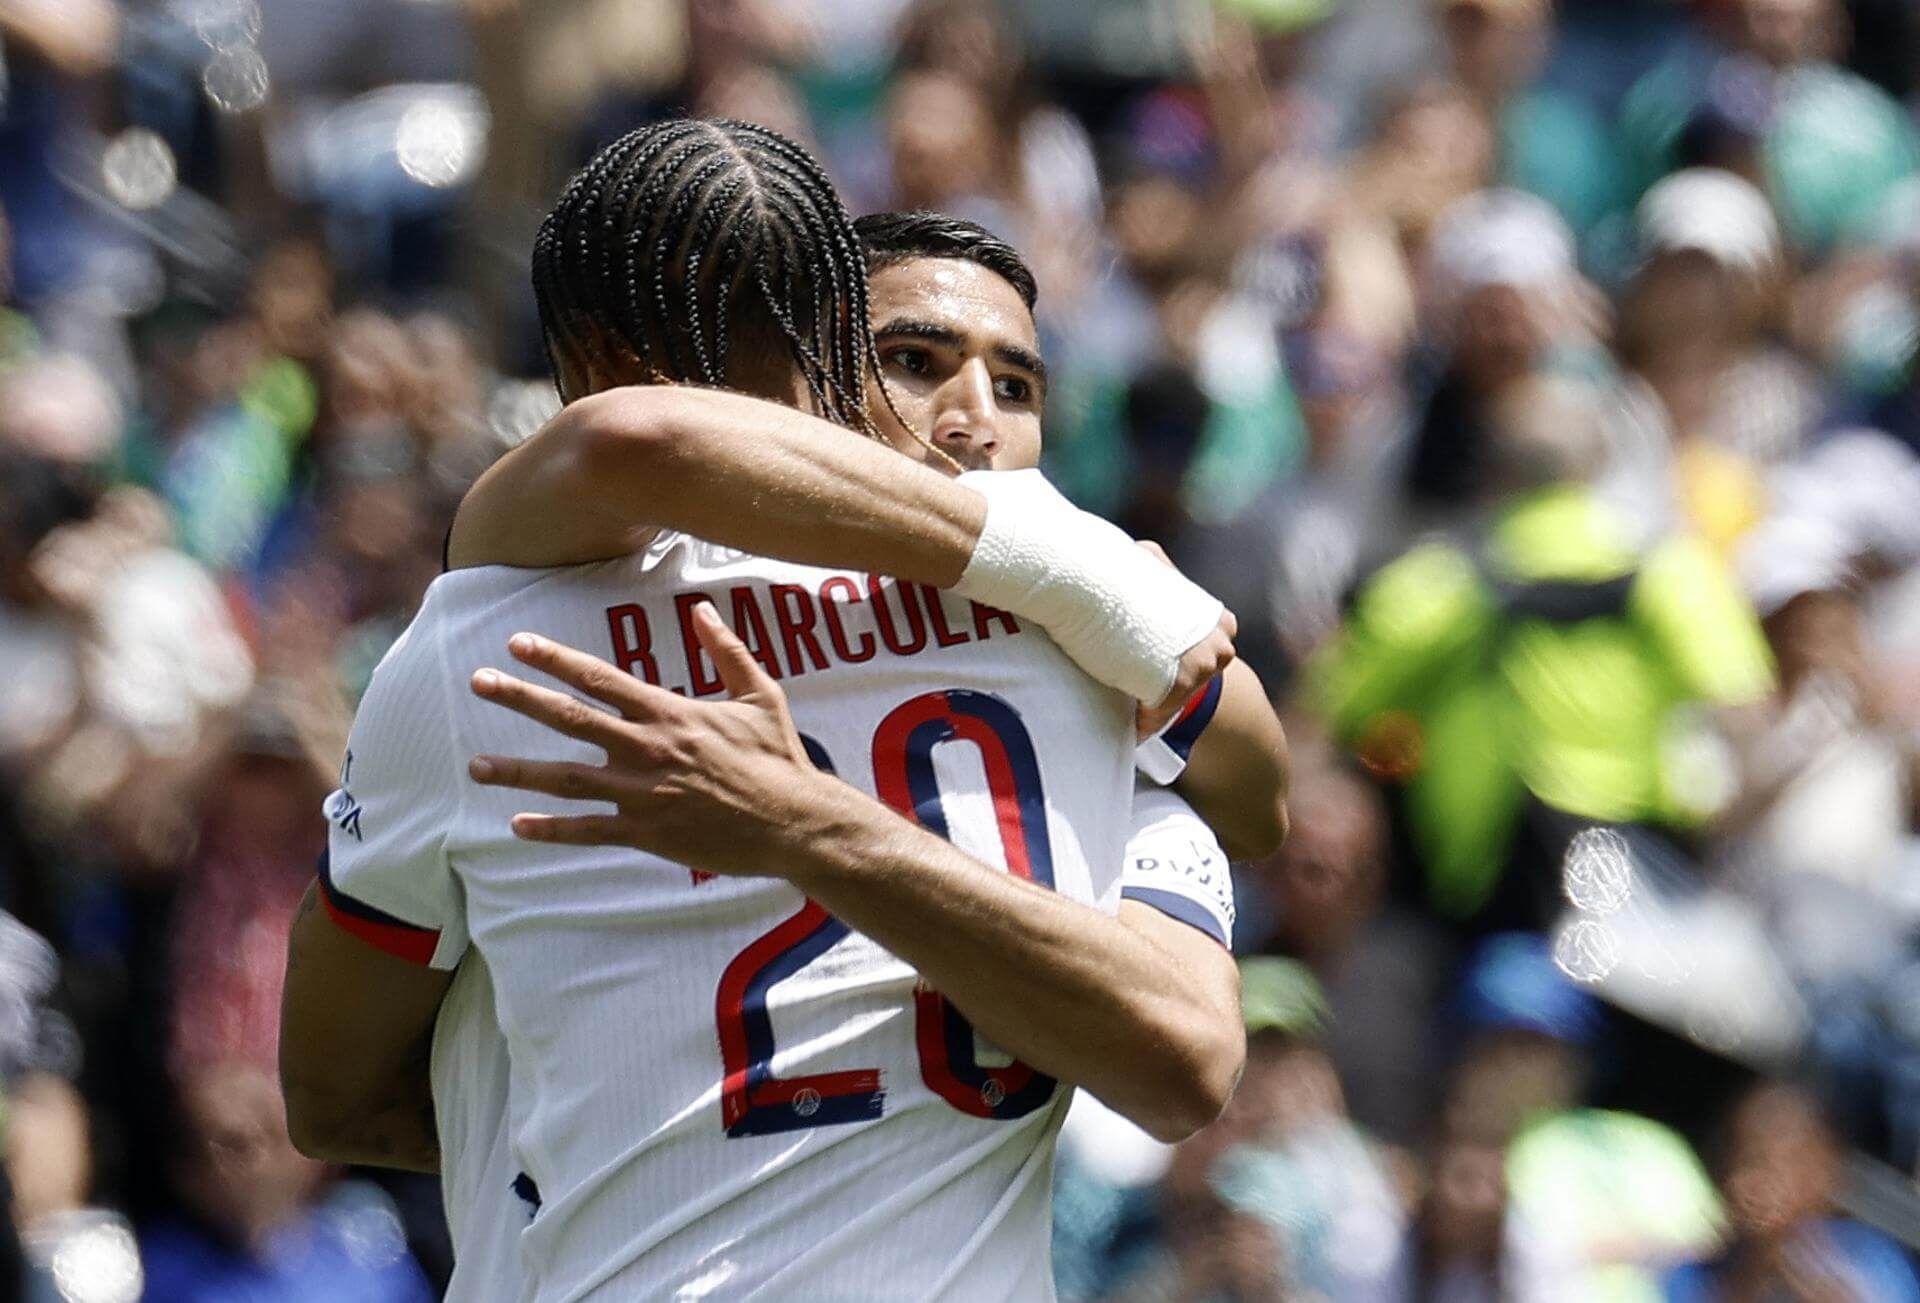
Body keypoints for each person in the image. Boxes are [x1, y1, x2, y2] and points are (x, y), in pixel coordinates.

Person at [280, 119, 1280, 1300]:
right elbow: (1254, 790)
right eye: (917, 360)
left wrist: (615, 1108)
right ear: (838, 351)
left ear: (580, 348)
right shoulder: (1088, 635)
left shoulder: (485, 642)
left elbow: (332, 1094)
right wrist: (1081, 567)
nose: (971, 418)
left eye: (1017, 383)